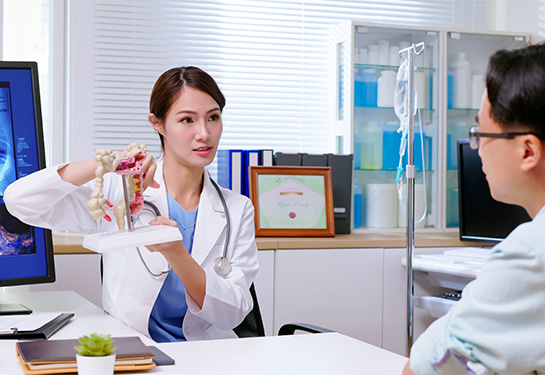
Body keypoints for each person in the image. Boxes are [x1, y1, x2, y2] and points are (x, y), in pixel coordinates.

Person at [4, 66, 259, 342]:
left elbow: (234, 315)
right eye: (187, 120)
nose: (204, 133)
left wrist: (177, 253)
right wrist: (107, 162)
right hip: (133, 351)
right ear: (158, 123)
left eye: (213, 117)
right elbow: (19, 201)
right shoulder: (118, 192)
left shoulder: (237, 209)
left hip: (207, 353)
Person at [404, 42, 545, 374]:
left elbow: (423, 369)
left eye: (480, 133)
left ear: (528, 151)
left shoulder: (529, 253)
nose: (476, 148)